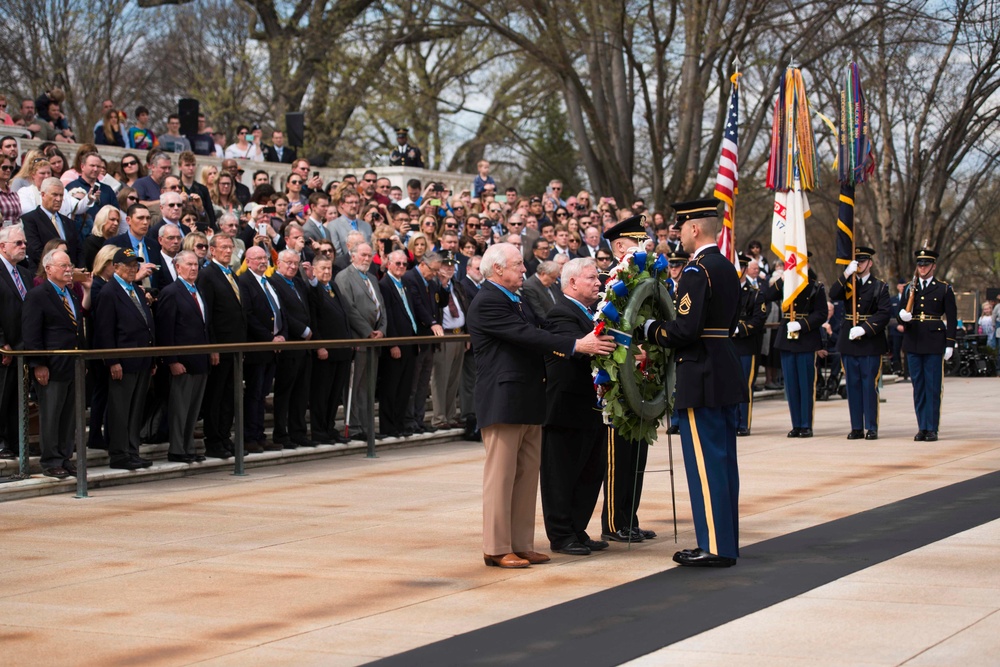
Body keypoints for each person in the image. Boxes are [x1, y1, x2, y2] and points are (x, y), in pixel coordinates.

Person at [469, 243, 615, 568]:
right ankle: (496, 546)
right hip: (504, 399)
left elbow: (543, 328)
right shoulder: (488, 301)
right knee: (502, 476)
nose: (524, 269)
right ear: (497, 269)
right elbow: (525, 335)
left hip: (529, 398)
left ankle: (520, 543)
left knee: (525, 476)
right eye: (518, 264)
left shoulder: (516, 300)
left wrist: (589, 334)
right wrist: (576, 344)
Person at [640, 199, 745, 568]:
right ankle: (725, 541)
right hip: (723, 366)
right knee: (723, 462)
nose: (678, 235)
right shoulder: (727, 267)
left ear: (694, 229)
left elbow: (685, 329)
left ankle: (715, 546)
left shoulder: (697, 271)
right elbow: (728, 323)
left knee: (706, 464)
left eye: (681, 228)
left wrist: (652, 329)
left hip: (701, 373)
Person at [540, 257, 610, 556]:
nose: (598, 283)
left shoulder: (595, 312)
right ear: (572, 283)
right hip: (566, 406)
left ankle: (577, 528)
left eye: (598, 278)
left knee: (590, 472)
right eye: (592, 278)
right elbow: (573, 345)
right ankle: (560, 534)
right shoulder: (561, 312)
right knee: (562, 474)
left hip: (591, 406)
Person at [598, 215, 655, 543]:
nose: (645, 248)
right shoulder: (613, 284)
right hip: (620, 379)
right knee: (618, 455)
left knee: (637, 454)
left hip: (643, 375)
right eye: (639, 243)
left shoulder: (647, 280)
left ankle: (630, 517)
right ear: (621, 247)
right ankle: (613, 522)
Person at [22, 249, 91, 478]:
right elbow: (32, 333)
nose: (68, 269)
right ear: (48, 268)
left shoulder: (70, 293)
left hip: (73, 363)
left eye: (70, 265)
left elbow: (76, 328)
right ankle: (51, 461)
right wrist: (38, 363)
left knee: (69, 415)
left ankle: (64, 456)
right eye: (63, 266)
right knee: (51, 414)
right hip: (51, 365)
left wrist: (83, 356)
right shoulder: (38, 294)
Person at [93, 248, 155, 470]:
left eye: (135, 265)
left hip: (142, 359)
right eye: (127, 265)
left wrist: (152, 359)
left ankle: (132, 450)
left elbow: (146, 324)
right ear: (115, 267)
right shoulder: (110, 292)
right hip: (123, 361)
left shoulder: (135, 290)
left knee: (135, 408)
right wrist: (112, 361)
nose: (132, 269)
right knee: (120, 409)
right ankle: (119, 453)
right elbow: (104, 331)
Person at [828, 246, 892, 440]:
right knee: (853, 385)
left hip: (870, 341)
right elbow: (833, 293)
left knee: (868, 385)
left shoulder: (880, 286)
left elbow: (884, 314)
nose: (860, 264)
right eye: (857, 262)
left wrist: (865, 328)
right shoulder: (848, 283)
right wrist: (846, 273)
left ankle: (871, 426)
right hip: (849, 341)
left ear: (870, 263)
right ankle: (856, 427)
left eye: (863, 261)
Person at [763, 255, 828, 438]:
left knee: (805, 384)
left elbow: (821, 314)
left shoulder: (815, 285)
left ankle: (806, 424)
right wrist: (782, 279)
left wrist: (802, 324)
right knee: (791, 385)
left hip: (806, 338)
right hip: (787, 339)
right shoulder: (786, 283)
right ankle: (796, 424)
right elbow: (766, 296)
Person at [898, 248, 957, 441]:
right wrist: (903, 317)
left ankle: (932, 427)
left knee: (932, 386)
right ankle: (921, 426)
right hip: (913, 340)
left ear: (933, 266)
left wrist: (950, 343)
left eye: (926, 265)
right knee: (919, 386)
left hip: (933, 341)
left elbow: (952, 317)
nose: (922, 268)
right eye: (920, 265)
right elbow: (901, 313)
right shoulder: (910, 288)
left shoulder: (943, 288)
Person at [197, 234, 248, 458]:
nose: (228, 251)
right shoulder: (208, 275)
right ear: (212, 250)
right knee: (216, 396)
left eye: (231, 247)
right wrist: (213, 346)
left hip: (236, 346)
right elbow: (207, 314)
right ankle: (214, 440)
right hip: (220, 345)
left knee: (230, 395)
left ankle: (225, 437)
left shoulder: (232, 274)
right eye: (224, 247)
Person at [334, 242, 387, 440]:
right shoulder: (344, 277)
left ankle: (367, 427)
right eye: (363, 255)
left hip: (374, 341)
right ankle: (355, 427)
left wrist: (381, 330)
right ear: (352, 256)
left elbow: (381, 307)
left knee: (369, 386)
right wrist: (367, 331)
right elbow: (349, 309)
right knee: (355, 386)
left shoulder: (372, 278)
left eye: (369, 256)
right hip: (359, 339)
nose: (367, 259)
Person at [239, 244, 286, 452]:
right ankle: (251, 436)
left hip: (272, 348)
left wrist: (281, 332)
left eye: (264, 257)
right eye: (257, 258)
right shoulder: (245, 282)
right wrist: (269, 337)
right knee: (254, 393)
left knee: (262, 393)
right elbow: (247, 315)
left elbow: (278, 310)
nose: (262, 261)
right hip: (257, 347)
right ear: (247, 261)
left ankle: (260, 434)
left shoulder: (268, 281)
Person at [268, 249, 314, 448]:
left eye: (296, 263)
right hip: (290, 344)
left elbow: (307, 306)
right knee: (285, 392)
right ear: (278, 263)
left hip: (304, 348)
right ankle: (281, 433)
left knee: (301, 393)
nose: (293, 267)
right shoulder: (273, 282)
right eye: (288, 263)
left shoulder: (297, 282)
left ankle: (298, 432)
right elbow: (282, 312)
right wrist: (303, 330)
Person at [309, 255, 353, 444]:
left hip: (341, 349)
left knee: (335, 393)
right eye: (322, 269)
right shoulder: (314, 289)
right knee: (322, 393)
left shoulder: (333, 286)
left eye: (329, 268)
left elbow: (343, 315)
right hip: (326, 351)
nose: (327, 272)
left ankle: (329, 427)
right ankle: (319, 431)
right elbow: (313, 319)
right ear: (314, 270)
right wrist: (319, 345)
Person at [378, 249, 419, 437]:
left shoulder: (405, 284)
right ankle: (389, 426)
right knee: (391, 387)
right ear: (388, 264)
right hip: (395, 344)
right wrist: (392, 343)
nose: (401, 266)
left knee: (404, 388)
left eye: (404, 264)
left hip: (409, 342)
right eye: (397, 263)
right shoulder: (384, 285)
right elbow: (388, 316)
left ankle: (400, 424)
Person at [0, 224, 32, 459]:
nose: (24, 247)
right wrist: (2, 342)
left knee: (16, 397)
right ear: (2, 246)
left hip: (24, 345)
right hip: (5, 347)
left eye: (24, 243)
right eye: (18, 243)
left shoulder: (24, 273)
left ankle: (14, 440)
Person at [430, 250, 469, 428]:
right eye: (446, 265)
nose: (450, 269)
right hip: (443, 335)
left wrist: (467, 334)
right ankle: (439, 417)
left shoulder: (458, 285)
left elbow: (464, 308)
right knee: (440, 378)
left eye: (452, 265)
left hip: (459, 334)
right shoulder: (433, 285)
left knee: (454, 378)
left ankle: (451, 415)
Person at [733, 253, 769, 436]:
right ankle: (731, 421)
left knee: (745, 385)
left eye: (739, 268)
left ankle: (743, 423)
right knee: (729, 385)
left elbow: (758, 320)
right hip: (729, 345)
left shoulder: (755, 294)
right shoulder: (726, 293)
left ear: (745, 270)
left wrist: (740, 329)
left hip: (746, 345)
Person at [21, 177, 83, 270]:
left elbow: (78, 249)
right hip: (44, 274)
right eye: (54, 195)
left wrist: (77, 269)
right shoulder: (30, 219)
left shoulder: (68, 222)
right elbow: (36, 251)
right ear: (43, 195)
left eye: (61, 195)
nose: (58, 199)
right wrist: (60, 267)